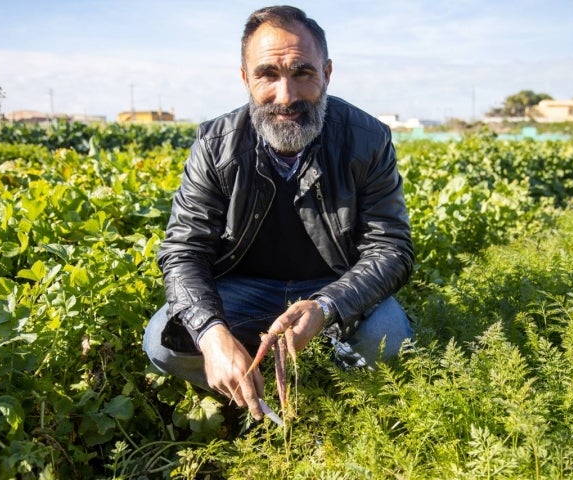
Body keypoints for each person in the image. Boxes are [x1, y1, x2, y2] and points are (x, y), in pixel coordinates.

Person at [143, 5, 414, 421]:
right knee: (164, 343)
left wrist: (326, 306)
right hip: (244, 291)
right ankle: (252, 389)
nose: (285, 97)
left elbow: (390, 248)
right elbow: (184, 251)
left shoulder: (366, 139)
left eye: (302, 73)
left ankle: (331, 394)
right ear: (245, 78)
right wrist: (214, 336)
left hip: (333, 284)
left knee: (389, 338)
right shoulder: (216, 145)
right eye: (268, 74)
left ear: (326, 72)